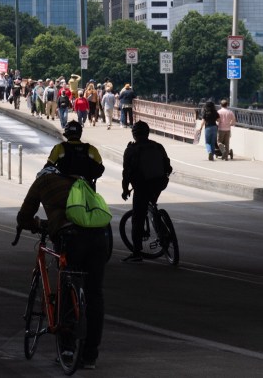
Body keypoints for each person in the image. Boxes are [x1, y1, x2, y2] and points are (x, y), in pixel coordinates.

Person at [16, 146, 108, 369]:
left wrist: (37, 225)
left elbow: (24, 216)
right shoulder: (83, 184)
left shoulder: (44, 181)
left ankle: (67, 350)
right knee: (94, 295)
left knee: (67, 288)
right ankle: (90, 356)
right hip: (100, 238)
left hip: (72, 239)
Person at [120, 121, 172, 262]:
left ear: (134, 134)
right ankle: (163, 230)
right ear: (148, 133)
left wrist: (125, 190)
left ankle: (137, 253)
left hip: (142, 186)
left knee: (138, 217)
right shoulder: (157, 146)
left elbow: (126, 173)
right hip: (159, 183)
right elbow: (168, 167)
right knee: (151, 204)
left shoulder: (131, 150)